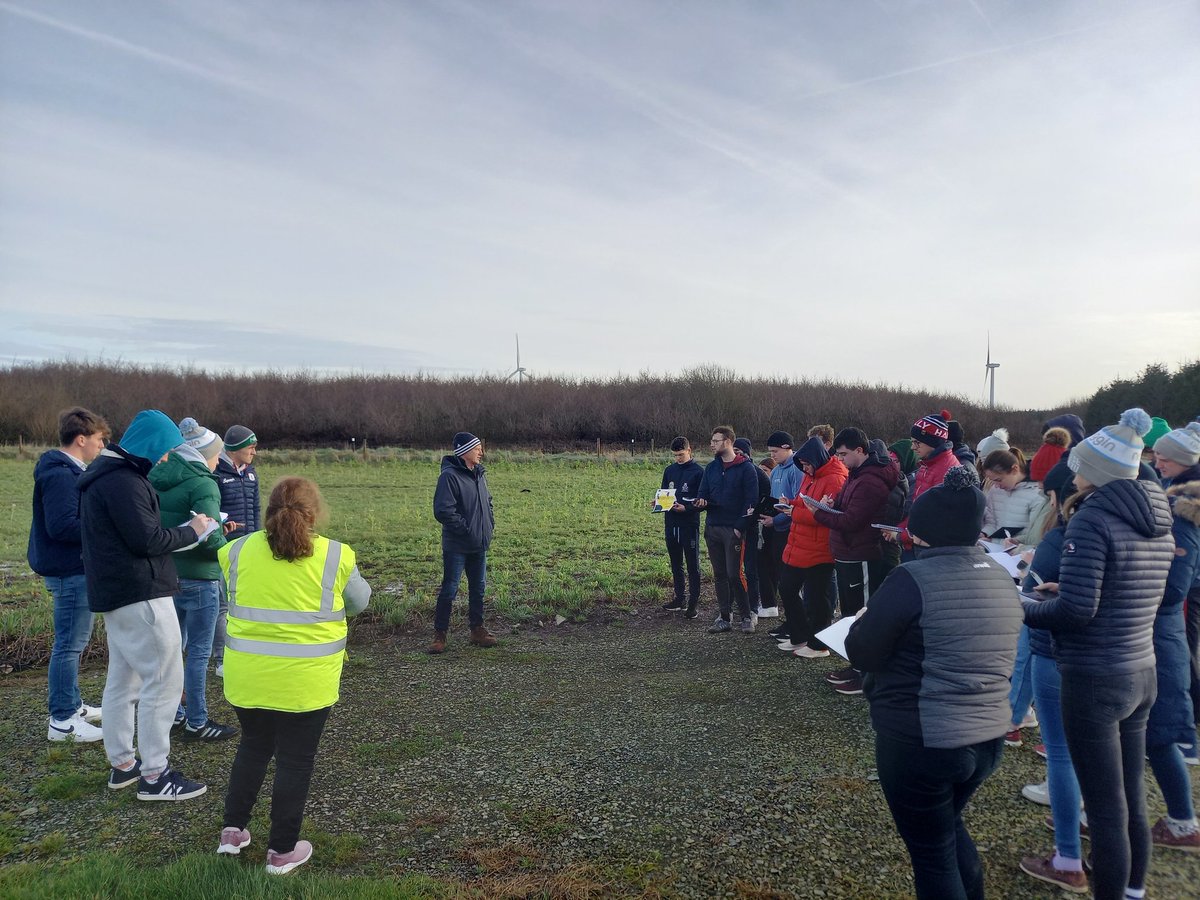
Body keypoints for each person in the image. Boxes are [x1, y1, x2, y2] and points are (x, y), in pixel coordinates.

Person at [846, 466, 1023, 900]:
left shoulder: (911, 579)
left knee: (931, 855)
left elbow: (863, 651)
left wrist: (865, 621)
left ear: (924, 533)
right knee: (945, 831)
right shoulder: (1002, 576)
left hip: (922, 739)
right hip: (987, 738)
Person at [1022, 409, 1175, 900]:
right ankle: (1133, 889)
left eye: (1078, 462)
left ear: (1095, 471)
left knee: (1106, 808)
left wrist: (1024, 604)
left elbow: (1076, 613)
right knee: (1131, 797)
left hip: (1094, 677)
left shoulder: (1092, 518)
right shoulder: (1155, 515)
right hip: (1141, 669)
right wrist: (1062, 594)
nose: (1072, 470)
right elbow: (1124, 593)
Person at [217, 477, 371, 875]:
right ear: (315, 513)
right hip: (306, 682)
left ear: (268, 510)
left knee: (253, 746)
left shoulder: (234, 552)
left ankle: (232, 832)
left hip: (246, 678)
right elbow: (359, 602)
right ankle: (282, 850)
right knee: (295, 760)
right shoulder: (336, 556)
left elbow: (233, 595)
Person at [77, 410, 214, 800]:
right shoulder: (124, 482)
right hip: (142, 594)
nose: (168, 457)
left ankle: (123, 764)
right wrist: (194, 530)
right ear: (152, 445)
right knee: (164, 681)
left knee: (124, 680)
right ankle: (156, 775)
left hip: (115, 594)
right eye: (167, 449)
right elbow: (147, 541)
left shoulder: (102, 478)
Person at [148, 417, 237, 742]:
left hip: (168, 574)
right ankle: (198, 721)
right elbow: (210, 537)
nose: (219, 460)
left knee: (173, 649)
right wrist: (226, 547)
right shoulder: (203, 484)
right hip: (200, 579)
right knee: (199, 653)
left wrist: (214, 529)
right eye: (217, 454)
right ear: (204, 454)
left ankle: (174, 713)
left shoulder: (156, 478)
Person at [28, 407, 110, 743]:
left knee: (73, 642)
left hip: (74, 567)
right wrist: (103, 527)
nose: (102, 447)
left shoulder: (65, 470)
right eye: (99, 440)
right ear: (81, 439)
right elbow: (62, 525)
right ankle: (62, 719)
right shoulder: (61, 475)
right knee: (70, 645)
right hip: (70, 569)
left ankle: (72, 705)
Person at [812, 430, 898, 694]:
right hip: (848, 551)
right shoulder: (856, 475)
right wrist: (829, 504)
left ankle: (866, 674)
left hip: (861, 553)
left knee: (861, 613)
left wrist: (819, 513)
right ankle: (856, 665)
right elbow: (844, 506)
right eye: (837, 454)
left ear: (860, 451)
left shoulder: (870, 481)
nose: (840, 459)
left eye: (843, 454)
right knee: (850, 612)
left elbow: (851, 521)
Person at [1152, 420, 1200, 748]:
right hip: (1185, 580)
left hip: (1185, 584)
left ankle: (1183, 733)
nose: (1157, 463)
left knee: (1176, 654)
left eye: (1164, 457)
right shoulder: (1174, 485)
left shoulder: (1187, 499)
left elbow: (1184, 547)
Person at [780, 436, 848, 658]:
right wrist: (790, 504)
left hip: (820, 548)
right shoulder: (811, 476)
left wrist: (794, 513)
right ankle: (800, 635)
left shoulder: (835, 479)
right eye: (803, 465)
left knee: (818, 598)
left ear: (817, 459)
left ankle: (819, 645)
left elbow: (824, 515)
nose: (805, 468)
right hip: (801, 543)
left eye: (807, 464)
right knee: (787, 588)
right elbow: (805, 502)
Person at [431, 432, 496, 653]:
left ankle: (477, 630)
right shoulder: (448, 477)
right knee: (450, 589)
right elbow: (443, 511)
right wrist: (466, 531)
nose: (481, 452)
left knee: (478, 589)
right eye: (477, 448)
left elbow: (488, 502)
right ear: (464, 451)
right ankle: (440, 635)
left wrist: (489, 525)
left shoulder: (479, 474)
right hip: (457, 545)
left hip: (479, 544)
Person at [694, 426, 758, 634]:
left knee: (734, 574)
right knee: (719, 574)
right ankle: (724, 617)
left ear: (728, 442)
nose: (712, 444)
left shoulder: (746, 469)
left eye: (716, 440)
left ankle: (747, 616)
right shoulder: (711, 468)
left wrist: (740, 528)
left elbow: (751, 501)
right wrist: (701, 502)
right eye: (712, 440)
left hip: (734, 530)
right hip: (712, 527)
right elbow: (703, 492)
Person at [213, 424, 261, 675]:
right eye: (250, 446)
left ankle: (243, 652)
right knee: (222, 605)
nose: (254, 451)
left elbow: (256, 509)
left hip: (248, 548)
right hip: (224, 547)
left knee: (242, 602)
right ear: (236, 448)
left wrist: (259, 539)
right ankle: (221, 659)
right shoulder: (217, 473)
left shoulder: (251, 473)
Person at [887, 413, 963, 557]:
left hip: (931, 548)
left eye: (917, 442)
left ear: (933, 442)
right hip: (917, 543)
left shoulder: (947, 470)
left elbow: (933, 517)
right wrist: (900, 529)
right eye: (912, 442)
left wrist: (901, 536)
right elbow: (917, 509)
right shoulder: (926, 466)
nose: (912, 448)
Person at [658, 437, 704, 618]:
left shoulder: (698, 472)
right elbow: (664, 493)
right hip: (671, 523)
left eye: (681, 455)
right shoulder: (669, 470)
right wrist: (658, 502)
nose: (678, 458)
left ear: (689, 450)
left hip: (689, 525)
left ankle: (693, 603)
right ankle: (679, 598)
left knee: (693, 565)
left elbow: (702, 501)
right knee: (676, 564)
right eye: (675, 455)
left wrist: (688, 508)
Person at [761, 431, 801, 628]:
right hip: (775, 530)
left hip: (791, 531)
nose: (772, 456)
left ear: (787, 448)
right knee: (781, 575)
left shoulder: (797, 470)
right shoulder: (776, 470)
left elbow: (796, 505)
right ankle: (789, 620)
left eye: (775, 451)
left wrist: (775, 521)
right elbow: (773, 500)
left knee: (791, 578)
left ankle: (796, 621)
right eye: (770, 452)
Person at [734, 437, 770, 616]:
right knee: (733, 567)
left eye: (739, 452)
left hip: (751, 526)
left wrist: (755, 515)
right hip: (733, 525)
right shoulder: (731, 471)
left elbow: (765, 494)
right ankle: (738, 600)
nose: (736, 455)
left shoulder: (756, 472)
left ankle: (753, 605)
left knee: (750, 567)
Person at [980, 449, 1042, 540]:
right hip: (995, 550)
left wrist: (1016, 543)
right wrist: (985, 533)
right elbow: (991, 522)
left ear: (1015, 470)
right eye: (992, 481)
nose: (996, 486)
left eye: (999, 480)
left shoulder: (1036, 493)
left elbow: (1035, 533)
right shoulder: (995, 491)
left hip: (1021, 550)